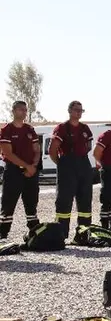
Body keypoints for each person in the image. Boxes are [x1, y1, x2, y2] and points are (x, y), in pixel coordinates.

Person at [50, 100, 94, 237]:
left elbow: (88, 147)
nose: (78, 112)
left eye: (81, 110)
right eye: (76, 110)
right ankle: (61, 233)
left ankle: (83, 232)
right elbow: (52, 150)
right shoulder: (62, 128)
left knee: (85, 198)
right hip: (67, 164)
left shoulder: (85, 128)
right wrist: (63, 165)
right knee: (64, 199)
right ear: (69, 111)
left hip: (83, 164)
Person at [0, 101, 40, 239]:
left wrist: (33, 166)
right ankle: (2, 235)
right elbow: (8, 154)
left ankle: (35, 234)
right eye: (20, 109)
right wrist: (26, 166)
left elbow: (37, 150)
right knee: (8, 204)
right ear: (13, 111)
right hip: (13, 171)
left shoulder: (30, 129)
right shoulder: (7, 130)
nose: (24, 112)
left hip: (31, 172)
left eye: (25, 110)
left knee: (31, 203)